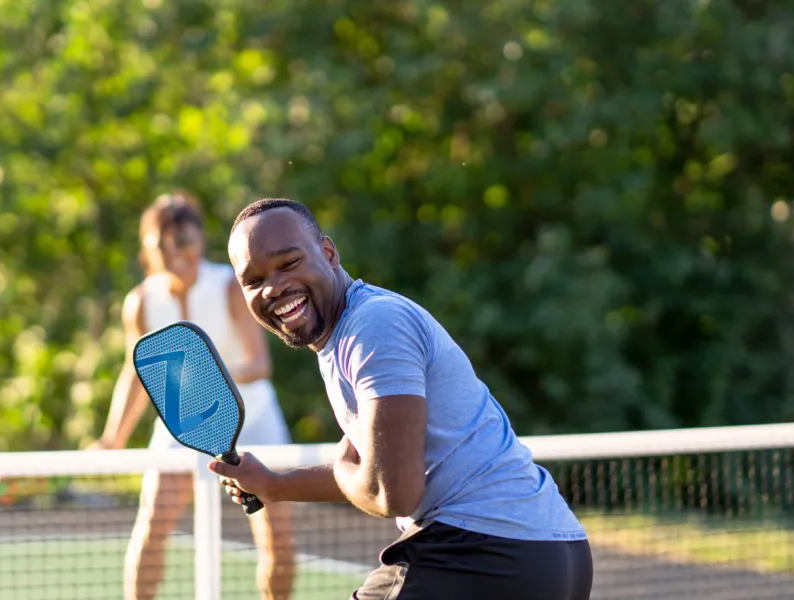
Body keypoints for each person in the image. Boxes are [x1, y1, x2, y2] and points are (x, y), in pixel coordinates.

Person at [210, 198, 594, 599]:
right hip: (553, 555)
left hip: (484, 552)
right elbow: (377, 468)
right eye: (253, 280)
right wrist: (275, 485)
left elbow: (392, 492)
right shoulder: (346, 335)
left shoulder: (373, 325)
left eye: (288, 263)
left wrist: (343, 467)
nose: (272, 286)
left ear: (328, 253)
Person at [95, 191, 296, 600]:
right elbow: (136, 373)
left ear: (200, 240)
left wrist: (205, 379)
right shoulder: (140, 302)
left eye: (184, 241)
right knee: (151, 527)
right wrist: (111, 438)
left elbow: (260, 364)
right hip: (180, 428)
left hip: (253, 420)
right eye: (162, 245)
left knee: (277, 540)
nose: (176, 252)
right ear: (150, 250)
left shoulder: (228, 285)